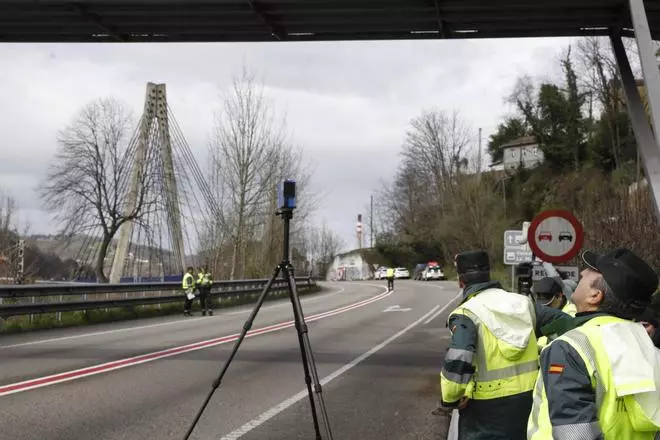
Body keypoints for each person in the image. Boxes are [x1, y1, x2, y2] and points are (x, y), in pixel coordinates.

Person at [527, 248, 660, 439]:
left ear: (595, 296)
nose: (581, 273)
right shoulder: (648, 347)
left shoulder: (571, 347)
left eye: (588, 275)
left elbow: (575, 434)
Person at [438, 250, 570, 440]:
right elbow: (566, 325)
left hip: (485, 410)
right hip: (530, 400)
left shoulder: (466, 313)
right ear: (488, 274)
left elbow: (459, 356)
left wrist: (450, 398)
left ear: (461, 281)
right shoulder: (524, 304)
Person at [535, 276, 578, 351]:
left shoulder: (571, 312)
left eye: (548, 304)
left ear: (559, 296)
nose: (546, 309)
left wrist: (538, 349)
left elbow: (565, 344)